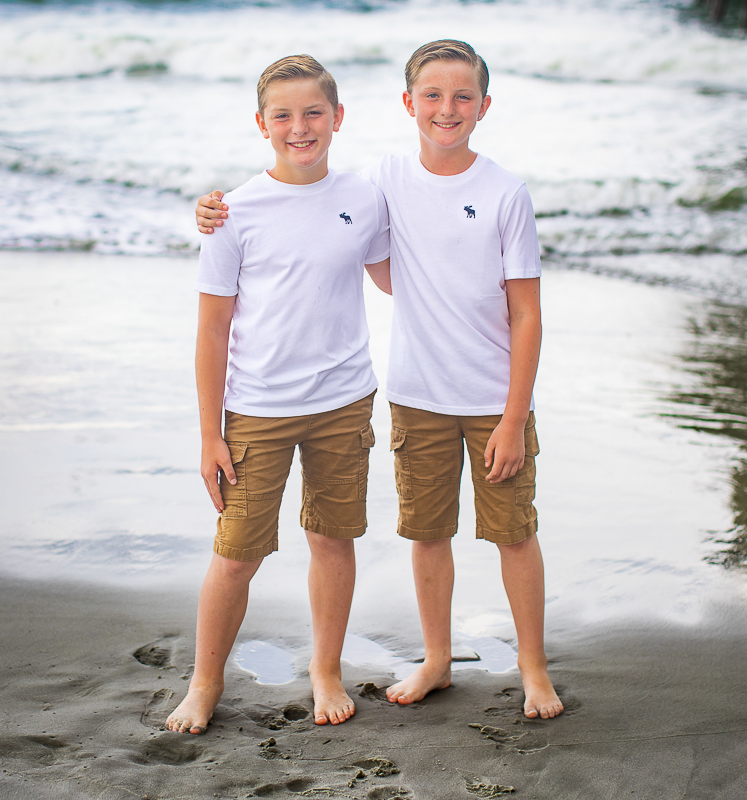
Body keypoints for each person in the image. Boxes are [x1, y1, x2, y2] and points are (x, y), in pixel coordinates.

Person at [195, 40, 563, 720]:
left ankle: (534, 671)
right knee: (423, 534)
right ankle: (433, 657)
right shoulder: (375, 182)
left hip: (472, 397)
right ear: (406, 104)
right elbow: (297, 225)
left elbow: (522, 312)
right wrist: (212, 210)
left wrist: (515, 415)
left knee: (512, 533)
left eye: (461, 97)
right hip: (407, 394)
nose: (445, 110)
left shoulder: (491, 192)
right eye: (431, 95)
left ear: (484, 106)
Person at [166, 54, 390, 735]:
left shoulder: (365, 195)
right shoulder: (232, 212)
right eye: (284, 115)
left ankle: (326, 668)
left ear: (338, 118)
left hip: (345, 398)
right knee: (237, 553)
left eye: (314, 112)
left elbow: (395, 278)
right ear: (262, 125)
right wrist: (210, 434)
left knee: (332, 538)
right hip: (257, 407)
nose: (301, 127)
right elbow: (211, 331)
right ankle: (205, 682)